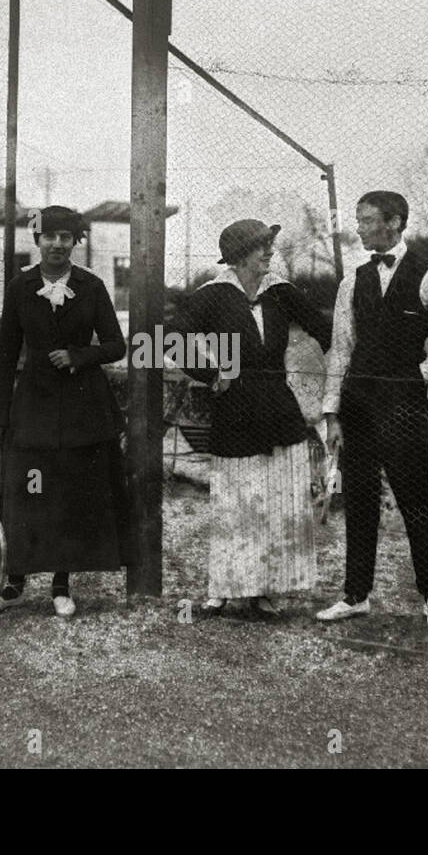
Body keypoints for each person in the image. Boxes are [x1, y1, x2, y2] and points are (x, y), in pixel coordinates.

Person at [0, 206, 130, 617]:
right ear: (37, 240)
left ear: (74, 242)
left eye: (66, 237)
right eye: (50, 236)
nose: (58, 244)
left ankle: (61, 585)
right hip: (33, 411)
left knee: (69, 496)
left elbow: (117, 345)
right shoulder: (20, 287)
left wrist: (79, 355)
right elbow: (7, 355)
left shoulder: (92, 286)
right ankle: (14, 584)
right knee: (29, 491)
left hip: (83, 411)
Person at [175, 219, 332, 617]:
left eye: (270, 246)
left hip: (280, 411)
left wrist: (341, 368)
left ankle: (262, 590)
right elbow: (165, 340)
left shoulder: (280, 291)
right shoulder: (213, 295)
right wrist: (213, 375)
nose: (269, 253)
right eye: (262, 247)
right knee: (236, 503)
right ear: (240, 255)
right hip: (235, 413)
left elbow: (323, 329)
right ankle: (225, 587)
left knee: (277, 502)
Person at [316, 191, 428, 621]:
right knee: (358, 500)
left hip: (404, 407)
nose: (358, 227)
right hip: (358, 406)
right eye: (358, 219)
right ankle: (355, 595)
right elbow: (340, 350)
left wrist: (417, 375)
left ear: (395, 222)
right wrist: (331, 412)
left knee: (416, 500)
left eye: (367, 219)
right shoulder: (350, 281)